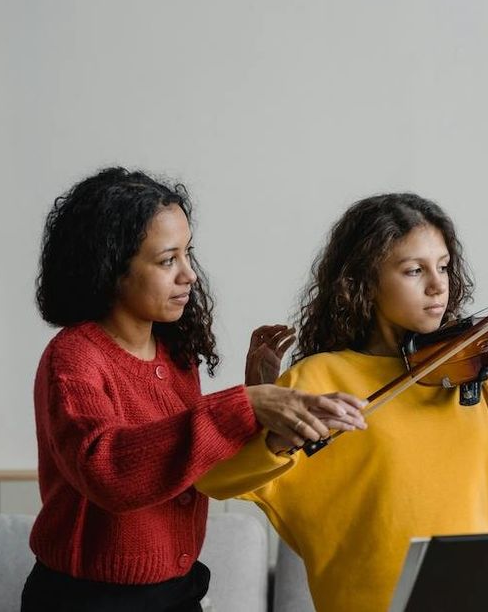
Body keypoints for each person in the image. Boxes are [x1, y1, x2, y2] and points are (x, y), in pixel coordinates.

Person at [198, 192, 488, 612]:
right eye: (414, 270)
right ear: (363, 282)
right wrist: (263, 412)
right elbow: (220, 479)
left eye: (444, 266)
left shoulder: (473, 379)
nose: (438, 284)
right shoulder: (320, 377)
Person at [21, 166, 366, 612]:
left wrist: (259, 394)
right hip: (88, 600)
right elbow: (108, 472)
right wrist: (245, 406)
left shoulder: (175, 355)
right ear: (110, 268)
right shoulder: (73, 358)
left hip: (177, 592)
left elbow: (196, 468)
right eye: (168, 260)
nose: (190, 275)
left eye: (188, 254)